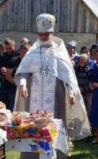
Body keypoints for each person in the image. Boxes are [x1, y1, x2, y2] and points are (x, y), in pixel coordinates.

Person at [14, 14, 90, 142]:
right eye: (41, 34)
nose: (44, 37)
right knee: (32, 123)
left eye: (47, 34)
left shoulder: (59, 52)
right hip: (34, 96)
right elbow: (24, 72)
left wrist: (71, 93)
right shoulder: (32, 52)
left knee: (54, 123)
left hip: (55, 95)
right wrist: (22, 85)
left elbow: (68, 76)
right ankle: (32, 150)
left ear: (52, 33)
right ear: (38, 34)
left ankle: (55, 150)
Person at [0, 38, 20, 110]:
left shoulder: (19, 55)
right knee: (3, 107)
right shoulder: (3, 56)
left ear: (14, 46)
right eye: (6, 48)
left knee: (13, 108)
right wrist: (1, 69)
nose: (8, 50)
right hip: (5, 85)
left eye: (10, 48)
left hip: (15, 85)